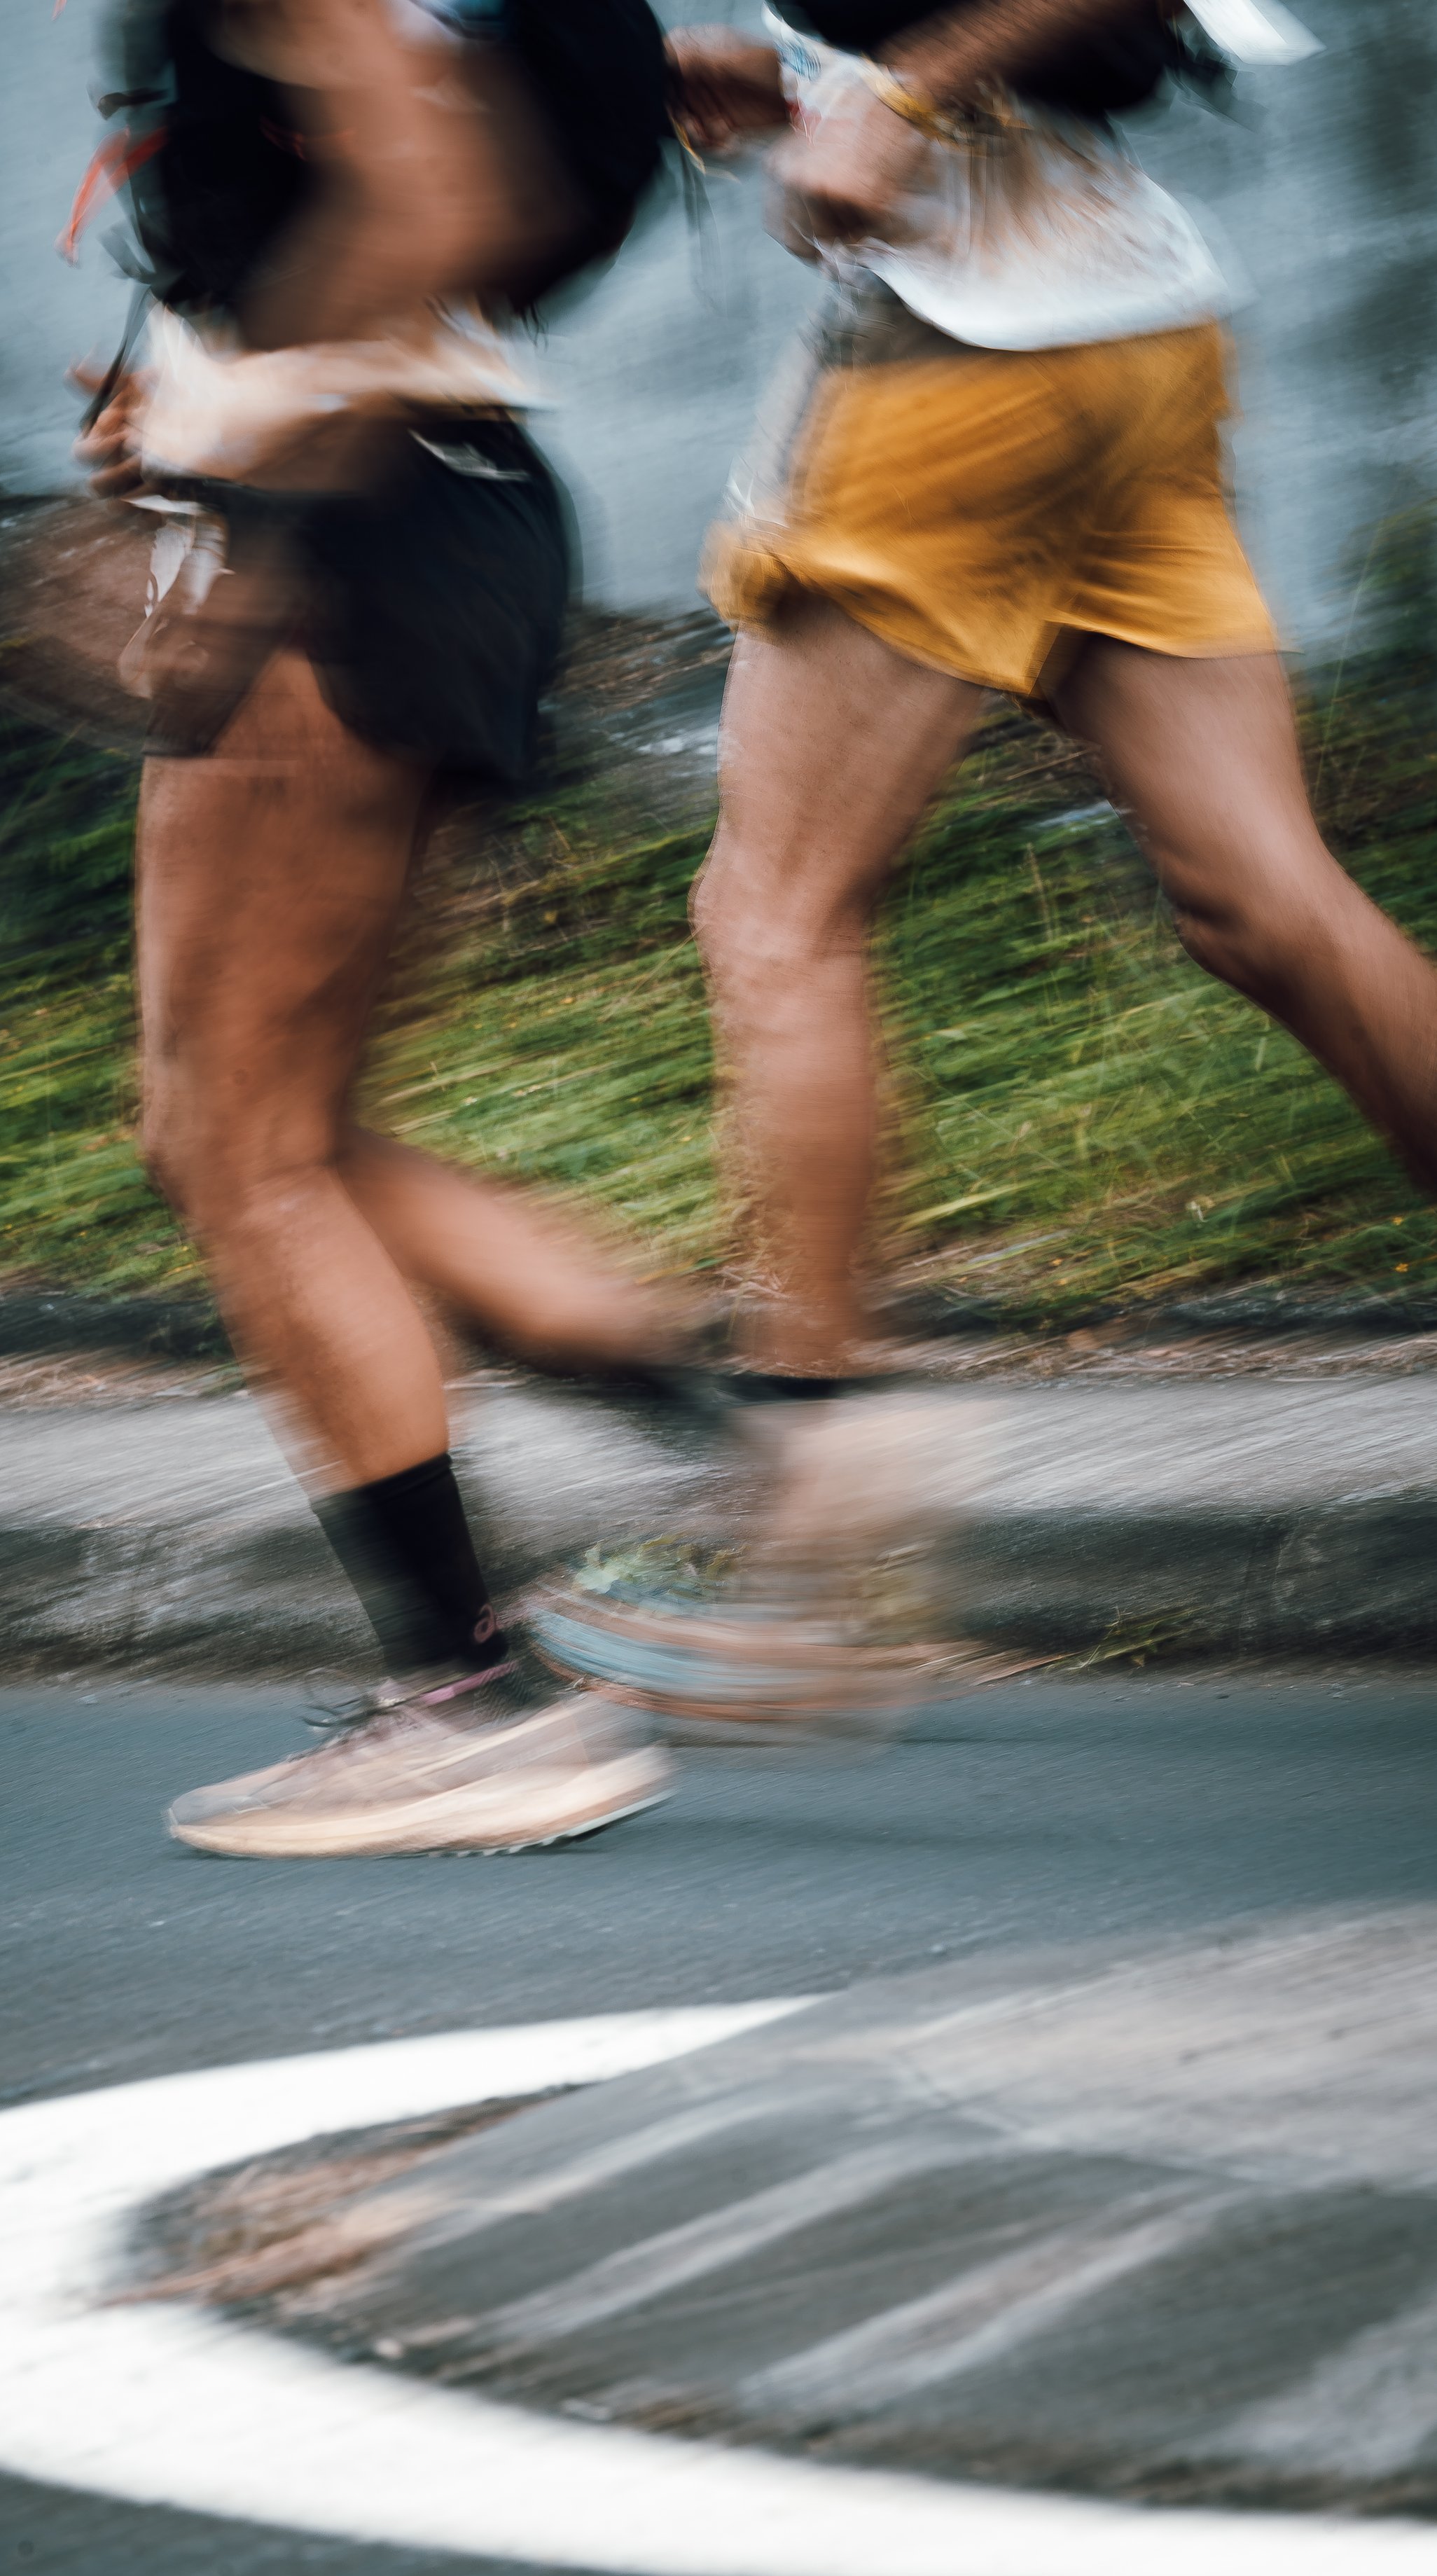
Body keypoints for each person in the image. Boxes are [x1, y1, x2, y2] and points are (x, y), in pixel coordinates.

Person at [532, 0, 1437, 1719]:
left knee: (774, 915)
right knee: (1264, 903)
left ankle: (800, 1536)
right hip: (1125, 323)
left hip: (962, 361)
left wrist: (896, 88)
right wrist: (811, 74)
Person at [74, 0, 692, 1855]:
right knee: (295, 1131)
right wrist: (189, 400)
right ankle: (747, 1437)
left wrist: (249, 458)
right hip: (452, 520)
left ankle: (468, 1698)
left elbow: (435, 180)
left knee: (232, 1140)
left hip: (352, 550)